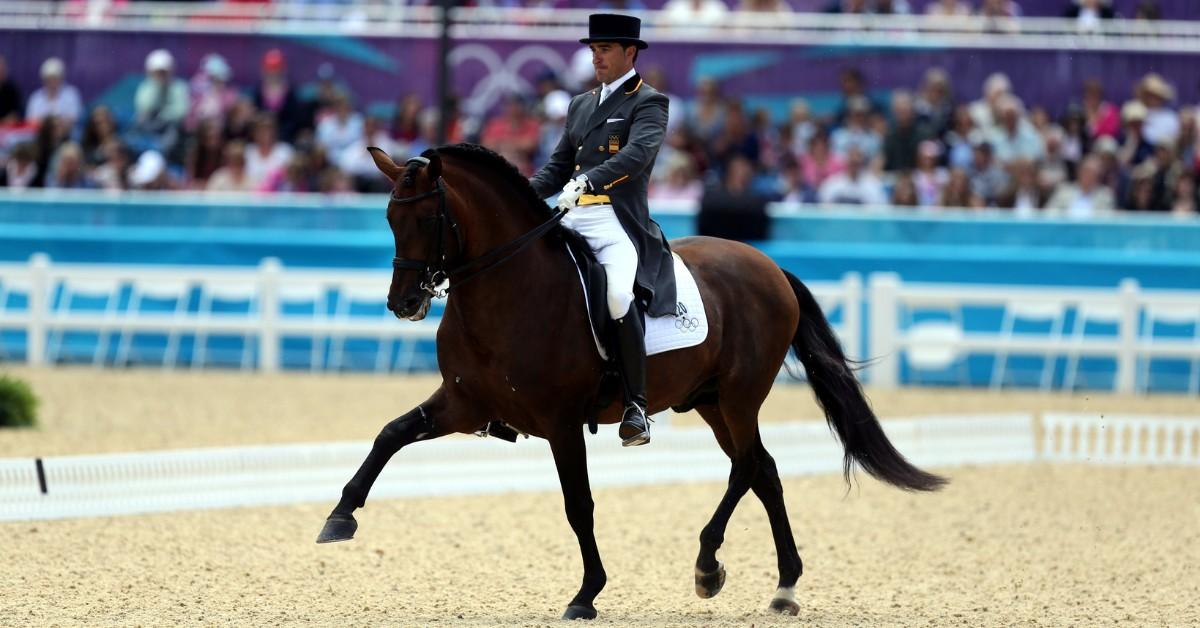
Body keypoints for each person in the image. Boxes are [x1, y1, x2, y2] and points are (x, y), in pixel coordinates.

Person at [529, 13, 676, 447]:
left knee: (616, 294)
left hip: (616, 219)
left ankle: (636, 405)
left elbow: (638, 154)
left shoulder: (649, 101)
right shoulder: (580, 104)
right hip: (571, 213)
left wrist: (589, 181)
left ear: (630, 53)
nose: (597, 57)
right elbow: (557, 168)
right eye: (593, 50)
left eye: (605, 49)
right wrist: (517, 195)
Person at [25, 58, 83, 127]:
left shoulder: (71, 94)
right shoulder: (36, 98)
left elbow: (75, 118)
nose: (52, 82)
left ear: (61, 78)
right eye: (49, 79)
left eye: (55, 78)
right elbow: (30, 121)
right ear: (44, 80)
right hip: (41, 134)